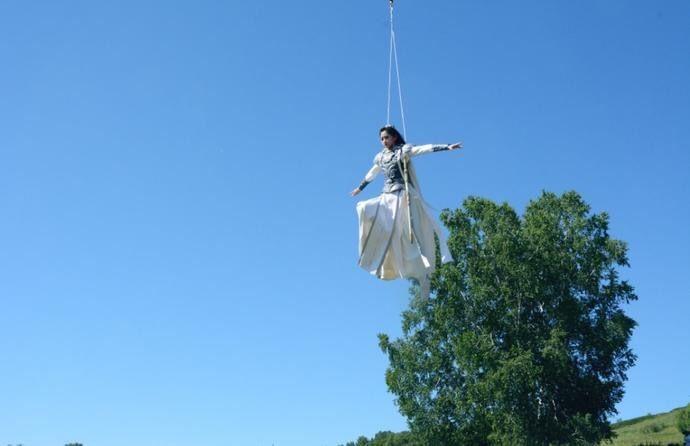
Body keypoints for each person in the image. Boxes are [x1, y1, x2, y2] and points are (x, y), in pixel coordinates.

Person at [351, 125, 462, 282]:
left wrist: (447, 146)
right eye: (381, 139)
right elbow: (372, 174)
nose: (384, 141)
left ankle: (406, 255)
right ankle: (379, 251)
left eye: (386, 137)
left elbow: (423, 149)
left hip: (400, 194)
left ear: (394, 137)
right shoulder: (381, 157)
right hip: (386, 196)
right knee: (363, 208)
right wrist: (360, 188)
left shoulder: (403, 151)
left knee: (399, 229)